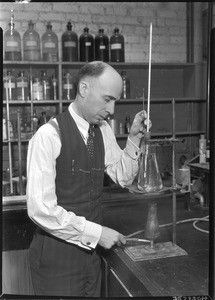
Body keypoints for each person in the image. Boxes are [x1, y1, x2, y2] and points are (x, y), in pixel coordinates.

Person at [26, 61, 150, 297]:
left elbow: (122, 177)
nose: (112, 110)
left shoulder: (102, 129)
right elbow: (40, 209)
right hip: (56, 261)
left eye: (115, 101)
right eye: (107, 99)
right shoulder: (48, 136)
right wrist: (98, 233)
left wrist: (134, 138)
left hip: (91, 257)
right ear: (84, 89)